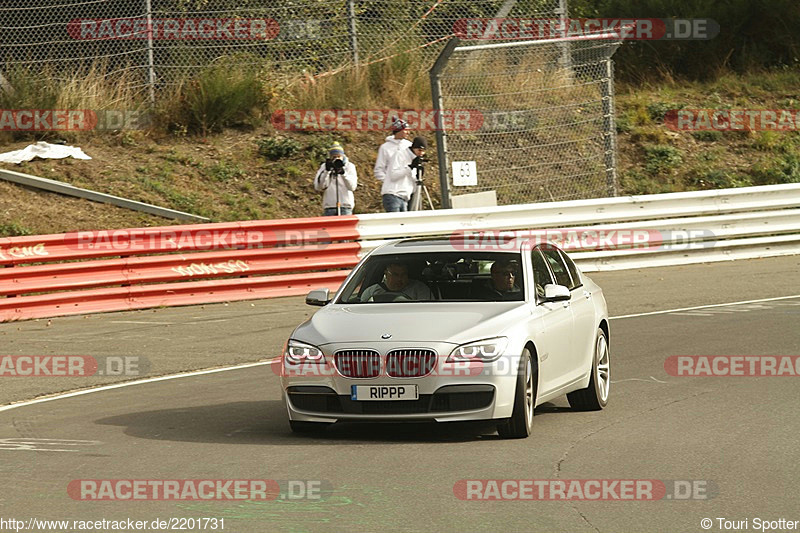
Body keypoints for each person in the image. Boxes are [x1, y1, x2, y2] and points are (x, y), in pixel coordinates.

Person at [374, 118, 421, 212]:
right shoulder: (385, 148)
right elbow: (379, 169)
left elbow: (413, 165)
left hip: (408, 190)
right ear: (398, 130)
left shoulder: (409, 145)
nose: (408, 133)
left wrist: (415, 180)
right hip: (393, 191)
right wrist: (389, 181)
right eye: (405, 130)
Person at [314, 141, 357, 216]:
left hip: (345, 206)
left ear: (343, 156)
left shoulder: (349, 166)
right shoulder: (324, 167)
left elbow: (352, 187)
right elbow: (319, 187)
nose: (336, 159)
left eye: (338, 156)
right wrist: (327, 171)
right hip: (330, 206)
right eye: (334, 157)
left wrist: (343, 173)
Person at [361, 262, 434, 302]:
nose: (400, 279)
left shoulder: (420, 290)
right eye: (395, 275)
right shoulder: (371, 292)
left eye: (403, 274)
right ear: (386, 274)